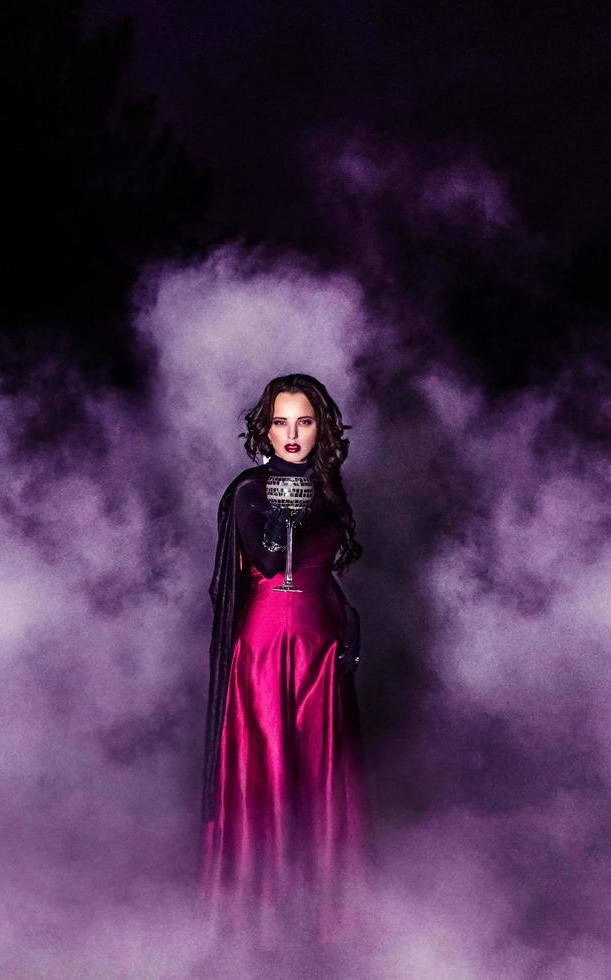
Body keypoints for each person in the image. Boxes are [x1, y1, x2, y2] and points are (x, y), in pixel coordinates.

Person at [200, 373, 371, 947]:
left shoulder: (329, 487)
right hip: (266, 647)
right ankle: (262, 918)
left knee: (321, 775)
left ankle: (322, 916)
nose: (292, 433)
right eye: (280, 421)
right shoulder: (250, 490)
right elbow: (272, 564)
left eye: (304, 421)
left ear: (321, 427)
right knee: (268, 768)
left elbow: (321, 571)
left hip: (319, 649)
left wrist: (348, 619)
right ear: (264, 428)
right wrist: (283, 501)